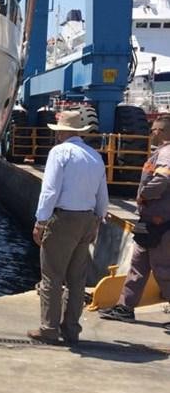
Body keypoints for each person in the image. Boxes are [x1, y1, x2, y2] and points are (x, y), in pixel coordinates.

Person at [28, 109, 109, 346]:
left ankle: (49, 328)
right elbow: (102, 194)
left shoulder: (60, 153)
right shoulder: (95, 156)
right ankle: (71, 329)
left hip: (63, 218)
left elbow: (50, 190)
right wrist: (98, 220)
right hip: (87, 219)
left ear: (63, 131)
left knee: (52, 275)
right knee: (77, 278)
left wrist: (41, 221)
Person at [99, 114, 170, 322]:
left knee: (163, 270)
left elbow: (162, 180)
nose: (151, 133)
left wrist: (144, 194)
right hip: (147, 222)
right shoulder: (159, 153)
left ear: (163, 132)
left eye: (154, 130)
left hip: (159, 223)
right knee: (137, 266)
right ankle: (125, 307)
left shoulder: (166, 153)